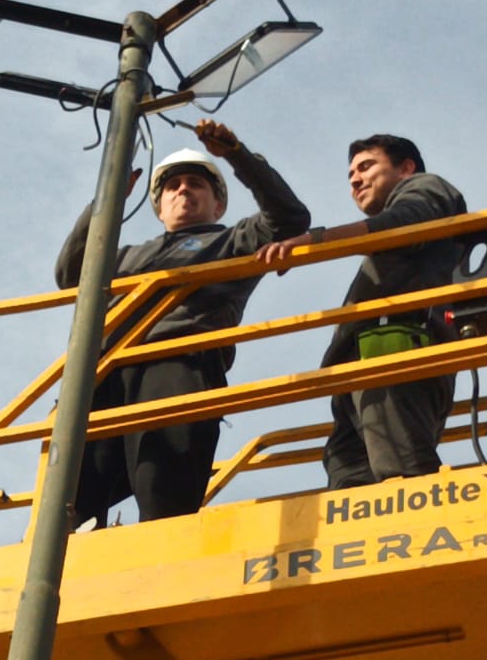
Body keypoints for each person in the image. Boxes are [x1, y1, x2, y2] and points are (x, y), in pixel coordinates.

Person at [56, 120, 309, 527]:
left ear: (218, 205)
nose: (183, 190)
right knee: (74, 498)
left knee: (163, 490)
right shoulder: (124, 258)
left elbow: (290, 218)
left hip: (178, 366)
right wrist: (106, 204)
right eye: (172, 186)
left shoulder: (232, 241)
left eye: (195, 183)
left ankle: (160, 548)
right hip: (105, 375)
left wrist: (236, 155)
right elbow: (71, 273)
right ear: (158, 207)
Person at [257, 134, 466, 489]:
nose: (355, 179)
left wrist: (313, 241)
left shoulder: (426, 187)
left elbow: (402, 224)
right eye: (351, 173)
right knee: (349, 480)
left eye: (367, 166)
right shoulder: (395, 231)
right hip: (368, 359)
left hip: (397, 350)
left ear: (405, 168)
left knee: (403, 478)